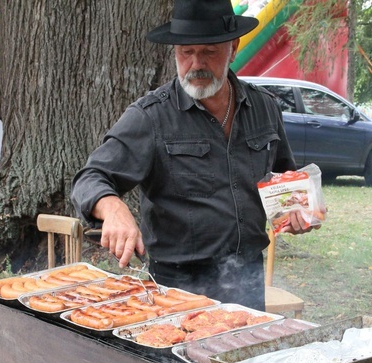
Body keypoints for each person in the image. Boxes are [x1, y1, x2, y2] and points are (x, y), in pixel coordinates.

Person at [71, 0, 313, 311]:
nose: (196, 64)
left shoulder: (264, 108)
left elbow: (283, 178)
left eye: (209, 52)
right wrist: (112, 206)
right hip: (179, 287)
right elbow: (90, 178)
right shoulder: (151, 116)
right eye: (186, 53)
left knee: (243, 358)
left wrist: (298, 209)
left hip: (248, 280)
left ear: (233, 47)